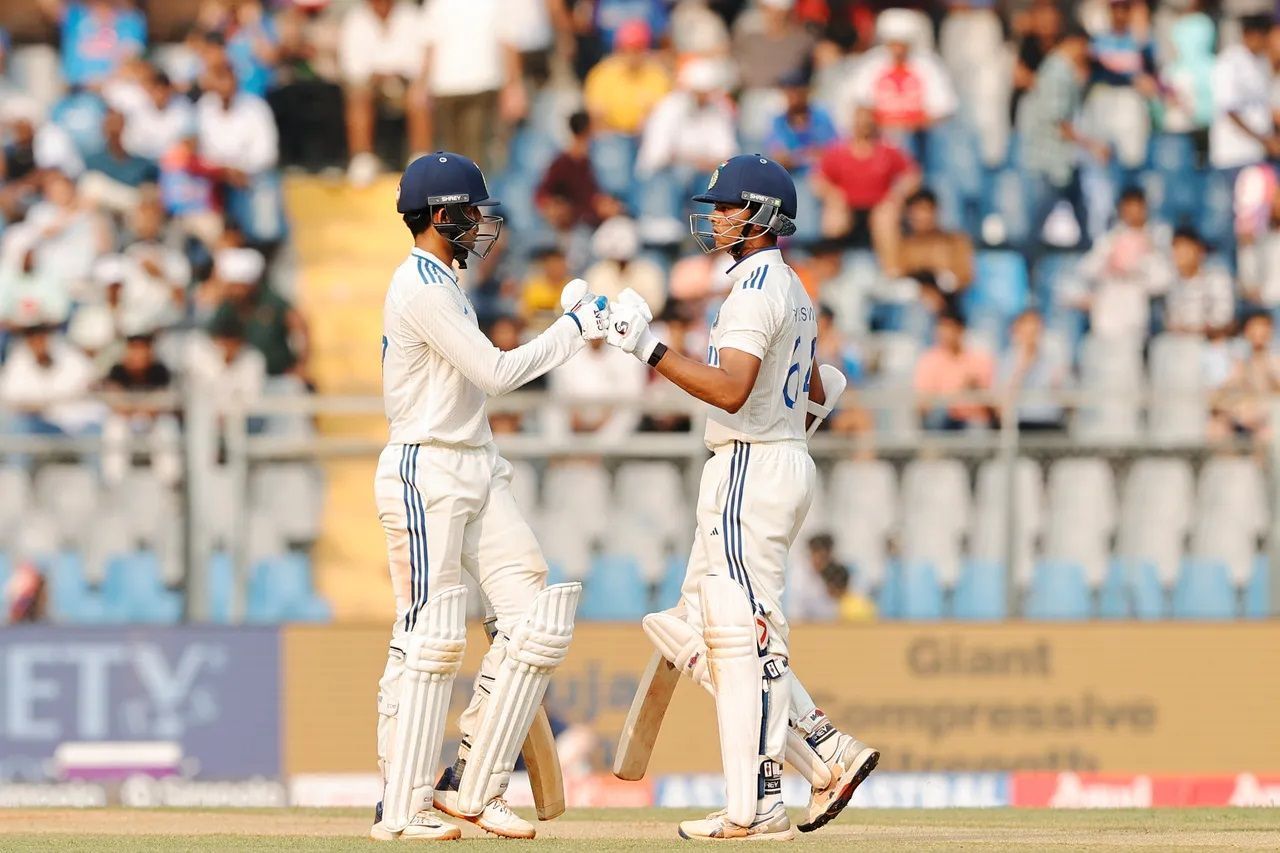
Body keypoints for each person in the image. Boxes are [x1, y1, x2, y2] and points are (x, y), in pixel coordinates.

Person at [606, 154, 878, 840]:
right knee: (688, 627)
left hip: (748, 469)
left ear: (759, 214)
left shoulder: (754, 288)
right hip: (779, 459)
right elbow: (817, 390)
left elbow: (730, 388)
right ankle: (822, 748)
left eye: (728, 206)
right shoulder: (792, 285)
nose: (717, 216)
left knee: (747, 634)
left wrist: (648, 348)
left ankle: (759, 805)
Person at [368, 152, 610, 841]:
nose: (480, 225)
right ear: (442, 215)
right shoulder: (419, 287)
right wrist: (573, 331)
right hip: (427, 469)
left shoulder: (444, 281)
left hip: (477, 462)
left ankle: (472, 785)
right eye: (471, 213)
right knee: (429, 635)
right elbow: (496, 373)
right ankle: (401, 803)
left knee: (536, 616)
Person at [1016, 26, 1108, 252]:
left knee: (1080, 213)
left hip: (1062, 159)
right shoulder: (1057, 72)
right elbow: (1058, 120)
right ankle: (1027, 270)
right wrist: (1092, 145)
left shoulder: (1061, 69)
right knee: (1037, 222)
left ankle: (1087, 255)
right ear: (1075, 42)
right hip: (1051, 159)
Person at [338, 0, 430, 185]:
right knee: (358, 97)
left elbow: (416, 60)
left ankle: (421, 160)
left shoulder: (410, 15)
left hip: (404, 83)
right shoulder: (355, 20)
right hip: (371, 85)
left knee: (419, 97)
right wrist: (380, 75)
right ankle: (362, 159)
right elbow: (353, 66)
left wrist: (394, 74)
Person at [813, 105, 920, 248]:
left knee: (886, 219)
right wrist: (833, 195)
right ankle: (830, 263)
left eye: (867, 122)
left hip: (880, 206)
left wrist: (897, 195)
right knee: (833, 218)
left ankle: (892, 268)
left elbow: (912, 175)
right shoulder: (837, 151)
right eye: (860, 122)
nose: (863, 126)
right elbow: (818, 179)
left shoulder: (888, 151)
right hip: (847, 207)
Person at [1075, 187, 1172, 340]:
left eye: (1137, 209)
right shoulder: (1110, 239)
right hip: (1106, 321)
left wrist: (1144, 257)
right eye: (1127, 209)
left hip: (1139, 321)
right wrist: (1110, 263)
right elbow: (1086, 269)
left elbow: (1162, 281)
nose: (1132, 215)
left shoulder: (1158, 238)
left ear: (1145, 209)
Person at [881, 187, 974, 294]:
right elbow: (896, 274)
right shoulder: (903, 245)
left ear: (935, 211)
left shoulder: (955, 241)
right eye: (914, 212)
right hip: (914, 299)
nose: (919, 217)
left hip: (950, 299)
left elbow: (965, 277)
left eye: (924, 210)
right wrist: (923, 290)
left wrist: (942, 282)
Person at [913, 311, 995, 430]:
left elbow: (992, 402)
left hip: (971, 417)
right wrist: (952, 397)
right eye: (942, 329)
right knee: (938, 417)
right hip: (941, 417)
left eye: (950, 328)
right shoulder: (928, 360)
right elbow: (923, 404)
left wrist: (975, 388)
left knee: (977, 426)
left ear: (961, 330)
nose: (945, 334)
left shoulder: (980, 359)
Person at [1001, 309, 1069, 432]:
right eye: (1027, 331)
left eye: (1035, 331)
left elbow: (1063, 393)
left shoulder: (1052, 357)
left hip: (1049, 422)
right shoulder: (1007, 359)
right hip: (1019, 423)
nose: (1031, 336)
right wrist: (1023, 365)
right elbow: (1002, 400)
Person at [1164, 226, 1234, 338]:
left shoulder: (1217, 279)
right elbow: (1172, 322)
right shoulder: (1172, 284)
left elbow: (1224, 321)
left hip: (1210, 343)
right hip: (1180, 345)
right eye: (1176, 250)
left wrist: (1196, 329)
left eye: (1185, 250)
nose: (1180, 256)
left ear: (1200, 250)